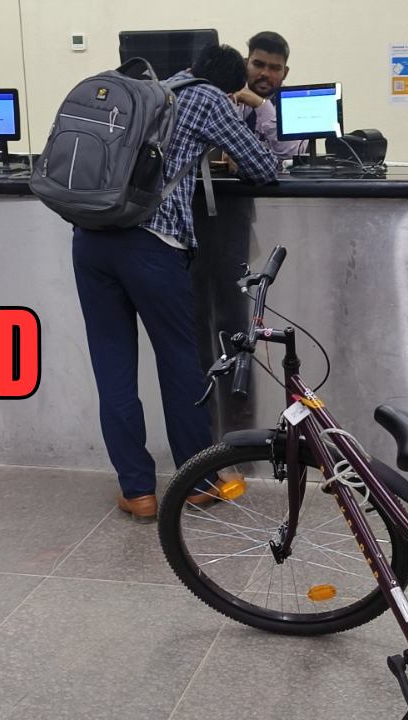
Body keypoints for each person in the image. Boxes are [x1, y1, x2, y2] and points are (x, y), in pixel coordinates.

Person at [71, 44, 279, 523]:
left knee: (113, 369)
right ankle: (198, 481)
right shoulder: (210, 98)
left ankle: (138, 491)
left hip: (91, 240)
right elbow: (263, 167)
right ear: (229, 85)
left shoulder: (148, 91)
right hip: (151, 247)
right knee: (181, 364)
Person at [230, 31, 307, 161]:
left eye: (275, 68)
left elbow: (292, 155)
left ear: (285, 73)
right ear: (246, 64)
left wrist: (261, 106)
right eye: (258, 65)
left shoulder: (297, 105)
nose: (265, 73)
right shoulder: (228, 98)